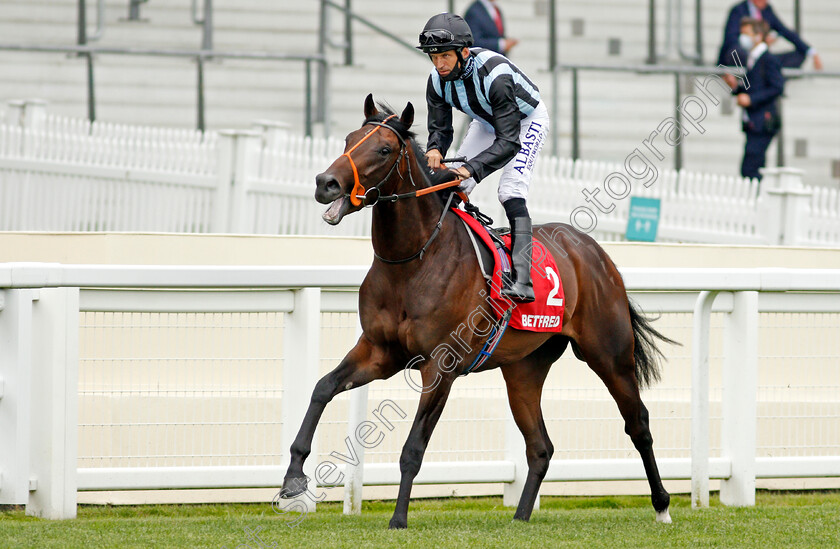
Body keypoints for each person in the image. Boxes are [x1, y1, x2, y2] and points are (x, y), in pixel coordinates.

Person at [418, 13, 549, 303]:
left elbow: (508, 141)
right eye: (433, 57)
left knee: (510, 191)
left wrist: (472, 169)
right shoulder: (436, 80)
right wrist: (435, 148)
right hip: (486, 121)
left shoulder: (496, 76)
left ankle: (523, 279)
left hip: (525, 122)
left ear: (464, 52)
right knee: (452, 185)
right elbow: (440, 127)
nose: (439, 65)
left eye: (445, 57)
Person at [728, 18, 784, 181]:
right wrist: (735, 87)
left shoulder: (768, 59)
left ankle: (758, 199)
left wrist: (751, 99)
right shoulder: (752, 58)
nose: (742, 38)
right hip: (753, 121)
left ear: (758, 36)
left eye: (746, 34)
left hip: (763, 121)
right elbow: (752, 87)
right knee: (753, 165)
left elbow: (777, 87)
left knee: (750, 167)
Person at [717, 0, 823, 70]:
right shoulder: (738, 10)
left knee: (797, 55)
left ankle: (764, 70)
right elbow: (730, 39)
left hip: (760, 55)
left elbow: (785, 31)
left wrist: (811, 51)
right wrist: (751, 41)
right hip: (744, 54)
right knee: (735, 51)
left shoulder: (767, 11)